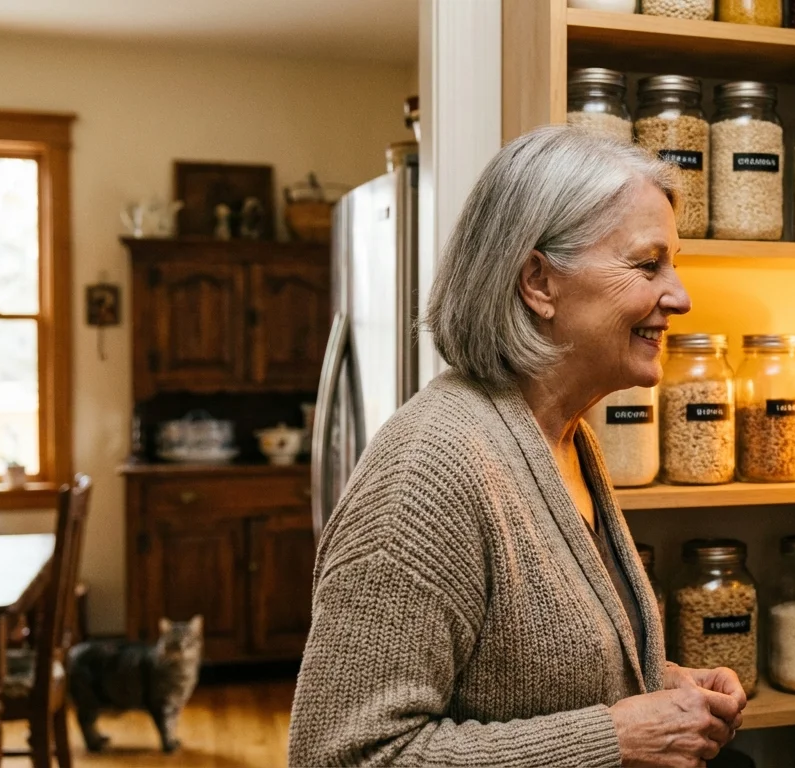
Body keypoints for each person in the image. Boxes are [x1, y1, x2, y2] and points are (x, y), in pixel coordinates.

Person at [288, 126, 746, 767]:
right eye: (647, 264)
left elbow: (525, 674)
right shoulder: (427, 471)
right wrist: (615, 740)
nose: (680, 296)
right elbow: (344, 756)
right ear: (538, 282)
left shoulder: (565, 434)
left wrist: (654, 687)